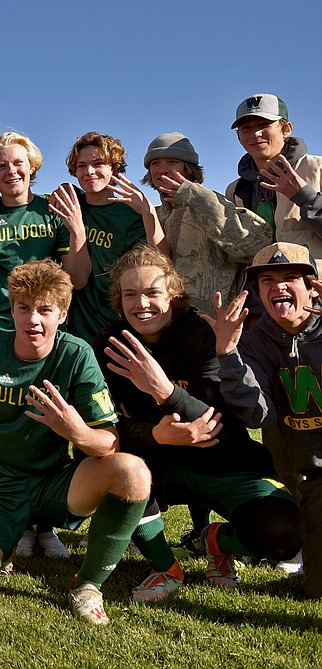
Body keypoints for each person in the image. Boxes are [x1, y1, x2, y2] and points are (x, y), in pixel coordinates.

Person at [0, 259, 151, 625]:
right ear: (12, 309)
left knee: (132, 472)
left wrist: (76, 431)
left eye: (44, 310)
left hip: (54, 486)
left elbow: (110, 443)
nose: (33, 320)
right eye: (24, 308)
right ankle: (1, 545)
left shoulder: (76, 354)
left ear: (63, 314)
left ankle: (88, 585)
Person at [95, 245, 300, 601]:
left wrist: (163, 390)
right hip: (159, 465)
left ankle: (216, 540)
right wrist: (156, 434)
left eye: (152, 293)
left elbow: (216, 422)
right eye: (130, 294)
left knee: (283, 534)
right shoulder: (110, 344)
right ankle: (166, 566)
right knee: (115, 465)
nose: (141, 304)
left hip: (224, 463)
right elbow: (106, 426)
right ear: (118, 299)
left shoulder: (202, 334)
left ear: (173, 294)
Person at [211, 241, 322, 598]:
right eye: (267, 280)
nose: (278, 286)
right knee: (318, 590)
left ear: (312, 289)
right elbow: (258, 415)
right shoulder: (254, 343)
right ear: (258, 292)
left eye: (291, 277)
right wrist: (227, 354)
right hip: (316, 477)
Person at [0, 132, 88, 337]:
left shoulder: (53, 210)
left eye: (18, 163)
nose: (11, 171)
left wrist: (77, 230)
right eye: (1, 166)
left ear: (32, 166)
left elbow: (79, 279)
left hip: (45, 326)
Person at [145, 132, 272, 313]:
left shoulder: (212, 204)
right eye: (155, 163)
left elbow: (257, 245)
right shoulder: (153, 213)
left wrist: (195, 196)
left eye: (172, 162)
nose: (162, 169)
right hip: (164, 321)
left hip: (212, 323)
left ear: (188, 168)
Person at [62, 132, 167, 344]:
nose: (89, 171)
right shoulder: (71, 207)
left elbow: (161, 265)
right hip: (77, 328)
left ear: (115, 169)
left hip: (118, 325)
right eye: (81, 166)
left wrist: (148, 213)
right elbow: (76, 279)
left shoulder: (130, 215)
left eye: (98, 163)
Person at [226, 94, 322, 271]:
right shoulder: (235, 190)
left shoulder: (317, 169)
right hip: (259, 291)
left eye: (264, 125)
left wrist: (305, 197)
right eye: (246, 128)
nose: (255, 134)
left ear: (286, 129)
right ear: (238, 137)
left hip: (313, 291)